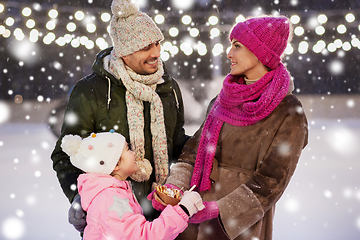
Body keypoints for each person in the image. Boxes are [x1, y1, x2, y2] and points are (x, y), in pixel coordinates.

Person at [148, 15, 309, 240]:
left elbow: (272, 180)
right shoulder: (222, 99)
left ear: (260, 52)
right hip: (191, 217)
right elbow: (192, 154)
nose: (229, 53)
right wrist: (173, 189)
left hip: (237, 228)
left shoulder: (288, 111)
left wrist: (221, 210)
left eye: (237, 46)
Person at [50, 0, 188, 233]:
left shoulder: (168, 87)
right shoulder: (91, 91)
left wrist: (209, 145)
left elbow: (176, 143)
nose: (156, 53)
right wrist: (79, 198)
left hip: (165, 218)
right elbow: (66, 154)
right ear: (124, 52)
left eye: (157, 43)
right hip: (114, 220)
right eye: (146, 47)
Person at [60, 131, 204, 240]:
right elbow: (143, 236)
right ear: (116, 165)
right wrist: (184, 210)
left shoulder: (112, 192)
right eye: (128, 149)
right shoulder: (110, 199)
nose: (134, 153)